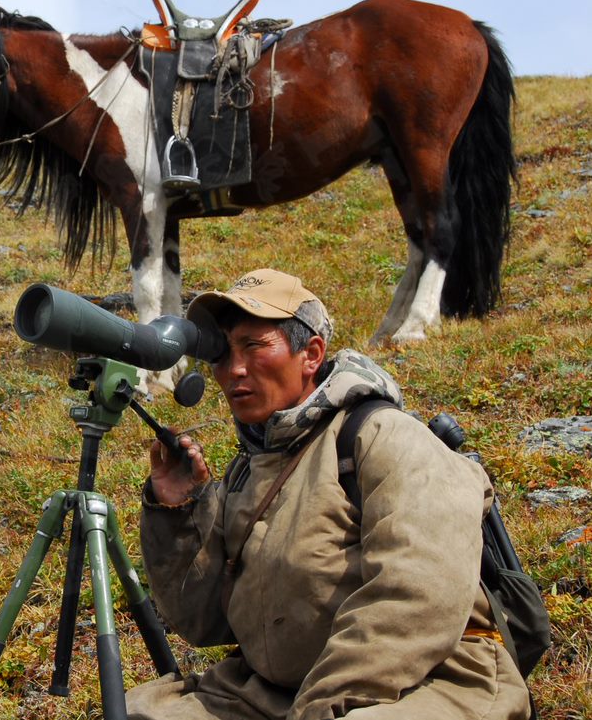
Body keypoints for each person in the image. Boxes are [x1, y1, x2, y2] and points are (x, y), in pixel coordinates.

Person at [126, 269, 530, 720]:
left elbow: (417, 600)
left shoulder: (381, 437)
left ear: (311, 354)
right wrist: (177, 510)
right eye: (223, 352)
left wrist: (318, 707)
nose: (233, 369)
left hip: (426, 682)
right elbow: (204, 619)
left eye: (254, 346)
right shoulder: (250, 468)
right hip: (277, 693)